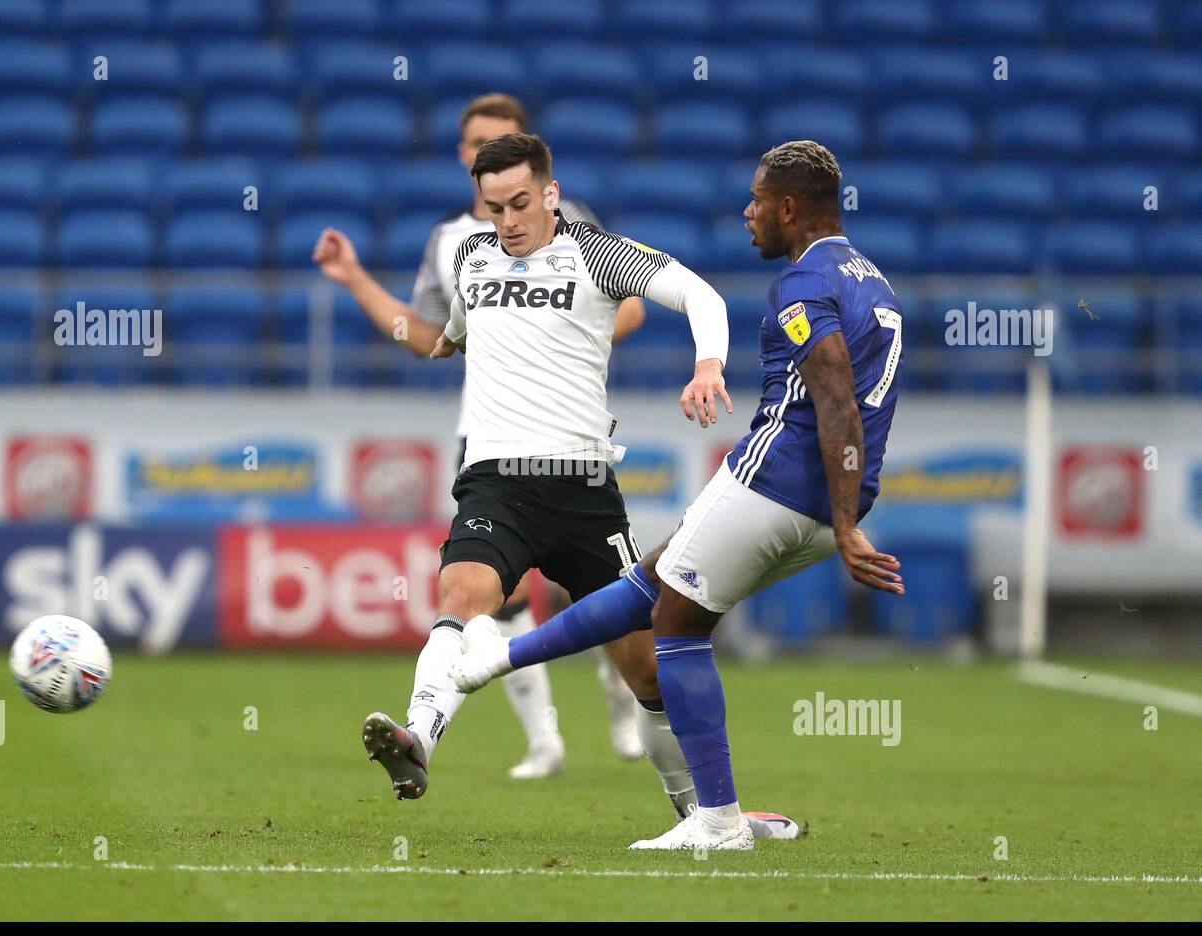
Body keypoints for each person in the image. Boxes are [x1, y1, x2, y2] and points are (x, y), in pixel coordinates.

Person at [451, 140, 906, 851]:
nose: (747, 212)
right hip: (830, 503)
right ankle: (496, 665)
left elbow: (836, 396)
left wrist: (846, 524)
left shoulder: (804, 283)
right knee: (650, 587)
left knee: (674, 624)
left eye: (757, 200)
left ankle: (717, 820)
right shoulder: (870, 278)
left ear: (789, 208)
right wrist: (846, 515)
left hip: (776, 481)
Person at [359, 132, 754, 835]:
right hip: (496, 481)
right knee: (461, 597)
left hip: (582, 491)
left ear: (549, 193)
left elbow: (700, 293)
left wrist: (709, 364)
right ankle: (418, 739)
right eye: (493, 208)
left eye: (518, 203)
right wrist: (438, 336)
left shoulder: (596, 252)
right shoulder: (471, 257)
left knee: (648, 674)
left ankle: (699, 815)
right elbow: (453, 328)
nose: (507, 221)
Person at [313, 94, 645, 778]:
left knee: (613, 612)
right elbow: (431, 336)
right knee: (490, 594)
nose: (483, 150)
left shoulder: (570, 223)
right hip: (489, 442)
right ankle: (529, 740)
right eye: (473, 142)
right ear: (463, 156)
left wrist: (552, 347)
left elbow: (633, 306)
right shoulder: (450, 245)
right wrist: (353, 280)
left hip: (569, 439)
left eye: (499, 139)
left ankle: (622, 691)